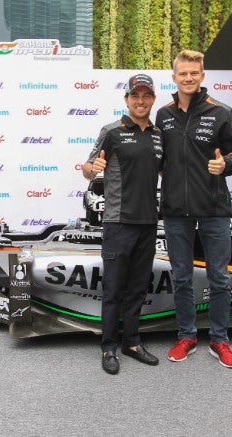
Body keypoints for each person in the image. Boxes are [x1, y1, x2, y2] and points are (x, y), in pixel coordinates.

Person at [156, 49, 232, 368]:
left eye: (194, 73)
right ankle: (186, 336)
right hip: (175, 210)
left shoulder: (221, 111)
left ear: (202, 76)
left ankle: (220, 340)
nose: (189, 78)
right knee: (181, 276)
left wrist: (227, 165)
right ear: (174, 77)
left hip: (213, 208)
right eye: (183, 73)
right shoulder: (163, 114)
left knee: (219, 277)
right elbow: (158, 158)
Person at [82, 73, 163, 374]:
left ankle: (132, 342)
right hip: (117, 222)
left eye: (146, 96)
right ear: (127, 99)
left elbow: (167, 172)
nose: (140, 101)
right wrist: (93, 168)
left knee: (138, 288)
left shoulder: (159, 135)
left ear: (153, 99)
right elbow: (87, 168)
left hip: (148, 222)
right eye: (135, 96)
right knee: (114, 288)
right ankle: (108, 348)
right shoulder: (112, 131)